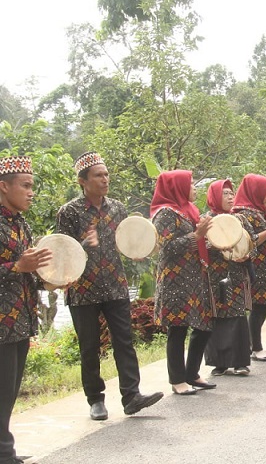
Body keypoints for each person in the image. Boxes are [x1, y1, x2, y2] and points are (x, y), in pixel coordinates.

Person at [56, 152, 163, 418]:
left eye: (106, 174)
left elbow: (124, 241)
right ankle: (95, 400)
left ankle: (131, 395)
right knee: (90, 347)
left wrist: (135, 251)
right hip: (82, 289)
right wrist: (83, 244)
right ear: (83, 181)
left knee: (124, 341)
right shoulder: (68, 212)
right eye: (98, 175)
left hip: (115, 284)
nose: (105, 179)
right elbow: (62, 253)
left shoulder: (117, 208)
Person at [0, 156, 52, 464]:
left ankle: (6, 451)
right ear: (4, 187)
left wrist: (51, 282)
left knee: (9, 390)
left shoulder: (22, 224)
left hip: (20, 318)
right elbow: (18, 267)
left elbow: (29, 272)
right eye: (26, 185)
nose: (31, 192)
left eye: (33, 186)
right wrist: (18, 266)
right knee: (2, 389)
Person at [151, 170, 217, 395]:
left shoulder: (189, 210)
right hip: (175, 279)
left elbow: (198, 242)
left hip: (195, 275)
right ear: (176, 186)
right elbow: (167, 248)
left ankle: (192, 373)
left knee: (204, 324)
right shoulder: (165, 214)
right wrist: (196, 236)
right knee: (178, 329)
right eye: (190, 183)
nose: (194, 188)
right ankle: (178, 380)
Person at [232, 174, 266, 362]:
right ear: (255, 191)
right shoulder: (243, 214)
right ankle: (255, 347)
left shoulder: (261, 211)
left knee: (264, 305)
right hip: (256, 267)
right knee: (259, 307)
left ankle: (251, 345)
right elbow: (249, 241)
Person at [203, 179, 252, 376]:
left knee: (237, 315)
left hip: (236, 273)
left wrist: (247, 254)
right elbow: (202, 246)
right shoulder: (206, 220)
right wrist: (218, 246)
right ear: (214, 196)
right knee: (217, 316)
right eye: (225, 194)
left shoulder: (240, 219)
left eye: (232, 193)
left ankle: (240, 361)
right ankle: (219, 363)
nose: (230, 197)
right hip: (214, 275)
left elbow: (252, 241)